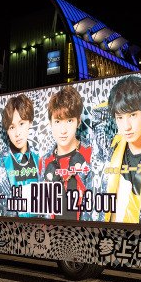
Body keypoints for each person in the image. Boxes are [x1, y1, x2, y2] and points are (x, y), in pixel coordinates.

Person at [92, 75, 141, 223]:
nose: (126, 127)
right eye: (120, 118)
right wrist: (118, 100)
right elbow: (97, 115)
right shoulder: (112, 146)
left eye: (132, 115)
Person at [38, 86, 92, 220]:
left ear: (78, 121)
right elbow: (42, 211)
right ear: (50, 123)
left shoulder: (92, 154)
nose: (63, 130)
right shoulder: (43, 162)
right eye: (57, 121)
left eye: (69, 121)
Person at [0, 94, 39, 217]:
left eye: (22, 124)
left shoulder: (40, 158)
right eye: (12, 127)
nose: (17, 133)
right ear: (7, 130)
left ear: (29, 122)